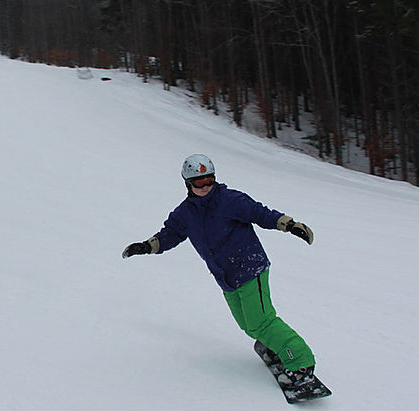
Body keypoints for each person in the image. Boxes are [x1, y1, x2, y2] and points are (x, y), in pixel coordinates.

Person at [122, 154, 320, 388]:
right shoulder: (185, 214)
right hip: (225, 276)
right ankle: (275, 345)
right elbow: (169, 235)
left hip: (249, 267)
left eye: (210, 180)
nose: (206, 186)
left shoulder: (230, 200)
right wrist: (146, 247)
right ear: (188, 183)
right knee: (248, 324)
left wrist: (290, 225)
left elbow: (261, 213)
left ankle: (301, 363)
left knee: (261, 321)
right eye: (199, 182)